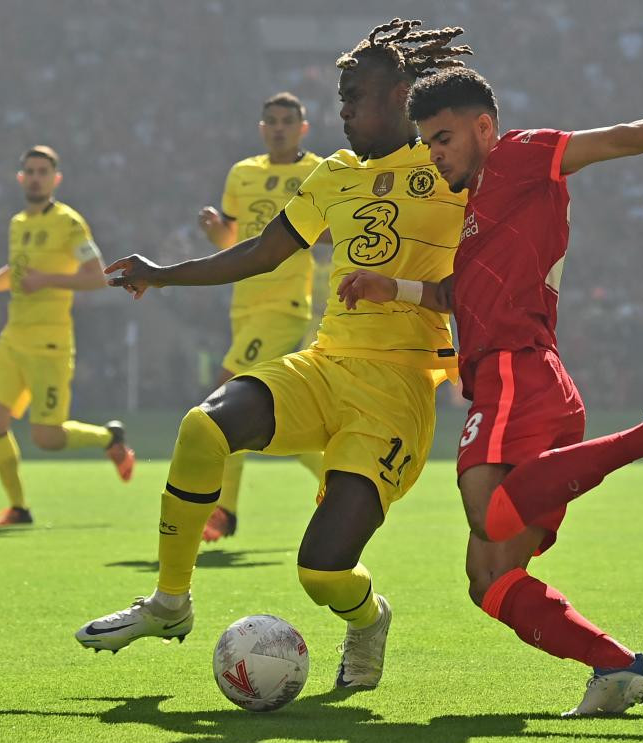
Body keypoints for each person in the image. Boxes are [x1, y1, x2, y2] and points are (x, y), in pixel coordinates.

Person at [337, 67, 643, 715]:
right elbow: (456, 297)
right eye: (427, 142)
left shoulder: (522, 157)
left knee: (487, 512)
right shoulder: (476, 214)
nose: (435, 153)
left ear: (483, 128)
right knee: (490, 578)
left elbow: (626, 138)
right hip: (536, 384)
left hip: (514, 374)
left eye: (443, 138)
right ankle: (617, 668)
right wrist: (396, 289)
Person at [76, 21, 471, 692]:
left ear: (403, 96)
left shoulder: (452, 168)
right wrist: (162, 272)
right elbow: (262, 253)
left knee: (321, 571)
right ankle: (170, 603)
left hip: (397, 389)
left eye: (358, 96)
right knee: (204, 426)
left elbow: (484, 279)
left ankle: (368, 618)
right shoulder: (334, 174)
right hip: (324, 363)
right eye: (342, 97)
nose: (344, 110)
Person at [0, 146, 135, 527]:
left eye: (42, 172)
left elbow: (97, 277)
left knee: (46, 437)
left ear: (55, 179)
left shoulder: (69, 223)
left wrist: (47, 280)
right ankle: (18, 508)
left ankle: (109, 438)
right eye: (29, 171)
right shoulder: (18, 223)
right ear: (21, 178)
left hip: (50, 342)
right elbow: (14, 272)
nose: (35, 177)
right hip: (13, 338)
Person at [195, 91, 325, 543]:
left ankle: (223, 511)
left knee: (226, 394)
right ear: (261, 127)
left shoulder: (318, 171)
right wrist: (217, 234)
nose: (279, 127)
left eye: (288, 120)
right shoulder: (242, 173)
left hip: (285, 305)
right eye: (271, 120)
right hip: (244, 305)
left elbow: (331, 233)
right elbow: (235, 241)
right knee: (261, 412)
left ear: (303, 128)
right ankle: (335, 474)